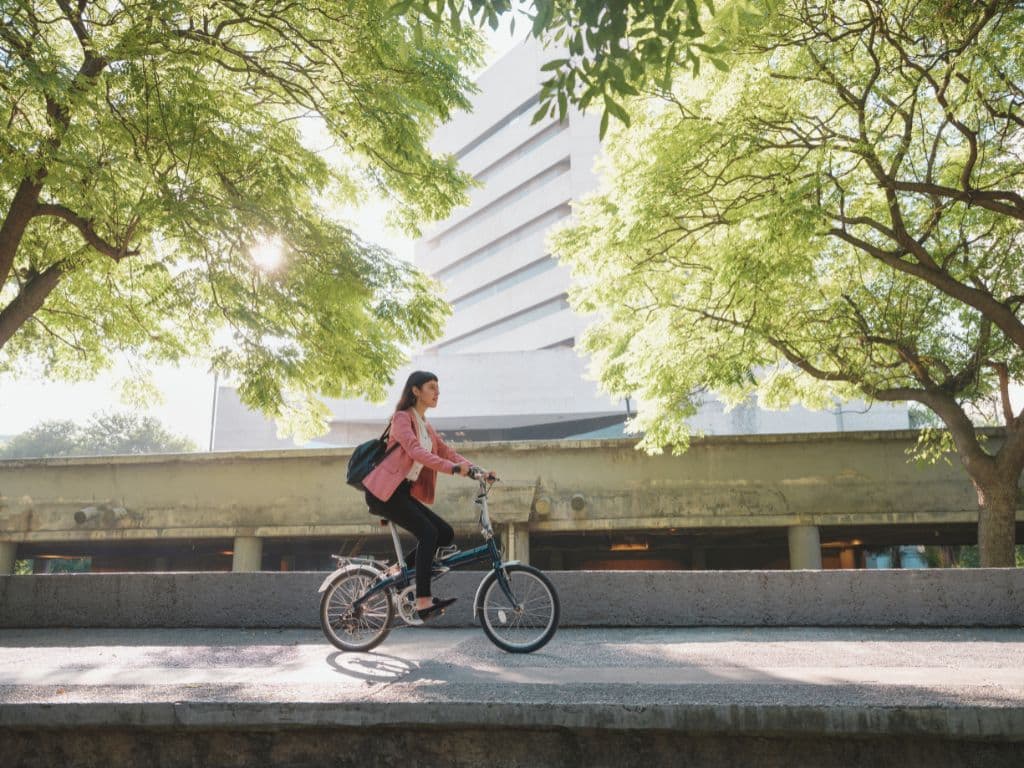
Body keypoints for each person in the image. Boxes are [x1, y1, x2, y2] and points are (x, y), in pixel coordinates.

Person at [362, 370, 495, 621]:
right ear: (415, 390)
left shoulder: (426, 426)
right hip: (383, 493)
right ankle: (423, 600)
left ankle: (396, 572)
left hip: (400, 493)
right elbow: (414, 451)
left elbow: (447, 452)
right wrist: (453, 470)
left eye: (438, 388)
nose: (437, 392)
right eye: (431, 387)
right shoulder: (402, 419)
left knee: (444, 533)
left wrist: (479, 471)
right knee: (428, 532)